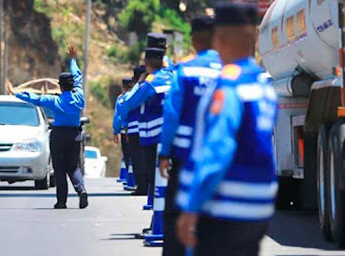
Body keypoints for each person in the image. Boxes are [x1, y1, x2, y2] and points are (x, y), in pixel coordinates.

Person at [176, 4, 278, 256]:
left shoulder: (228, 87)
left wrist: (191, 207)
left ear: (219, 39)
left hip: (222, 209)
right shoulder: (262, 86)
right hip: (256, 210)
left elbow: (217, 151)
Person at [158, 16, 222, 256]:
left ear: (194, 40)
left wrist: (165, 153)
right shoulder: (230, 72)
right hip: (220, 159)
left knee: (177, 215)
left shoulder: (185, 71)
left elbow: (172, 113)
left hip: (185, 159)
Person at [15, 45, 88, 209]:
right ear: (72, 86)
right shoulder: (79, 98)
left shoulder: (54, 101)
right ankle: (81, 190)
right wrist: (73, 60)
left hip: (59, 135)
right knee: (73, 166)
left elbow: (35, 99)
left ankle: (61, 201)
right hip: (74, 135)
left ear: (60, 86)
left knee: (59, 168)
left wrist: (16, 93)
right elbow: (78, 76)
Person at [118, 47, 177, 203]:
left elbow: (129, 103)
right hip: (172, 134)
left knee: (154, 176)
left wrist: (139, 83)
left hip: (152, 136)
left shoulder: (151, 82)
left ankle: (158, 219)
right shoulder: (175, 77)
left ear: (147, 63)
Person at [113, 76, 147, 195]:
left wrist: (115, 131)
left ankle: (136, 182)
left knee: (132, 158)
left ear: (123, 87)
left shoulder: (123, 99)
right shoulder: (144, 91)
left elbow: (118, 116)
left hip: (128, 131)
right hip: (145, 129)